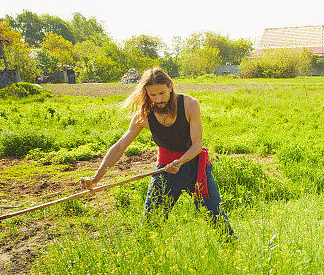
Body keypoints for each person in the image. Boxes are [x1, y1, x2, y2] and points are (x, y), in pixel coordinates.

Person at [80, 67, 234, 237]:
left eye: (161, 93)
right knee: (150, 225)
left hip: (195, 168)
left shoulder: (190, 105)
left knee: (217, 217)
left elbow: (197, 144)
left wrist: (180, 162)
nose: (158, 99)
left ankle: (232, 250)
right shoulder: (143, 116)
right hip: (164, 171)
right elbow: (119, 147)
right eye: (152, 95)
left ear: (170, 86)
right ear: (146, 94)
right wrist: (95, 179)